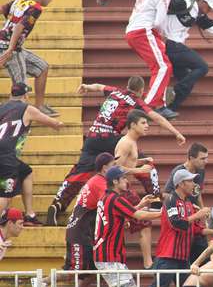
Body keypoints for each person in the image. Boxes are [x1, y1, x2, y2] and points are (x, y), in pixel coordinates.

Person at [47, 77, 185, 224]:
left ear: (127, 86)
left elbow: (99, 86)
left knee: (80, 171)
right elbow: (156, 117)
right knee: (143, 162)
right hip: (110, 137)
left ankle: (58, 204)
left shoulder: (115, 91)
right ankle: (155, 200)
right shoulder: (136, 101)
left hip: (92, 136)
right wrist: (176, 132)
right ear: (140, 91)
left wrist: (87, 86)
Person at [73, 166, 160, 287]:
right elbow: (139, 216)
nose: (127, 181)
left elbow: (124, 214)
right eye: (123, 179)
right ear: (115, 181)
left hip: (108, 254)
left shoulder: (107, 198)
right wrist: (162, 213)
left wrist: (141, 204)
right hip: (108, 255)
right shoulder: (115, 199)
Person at [34, 153, 116, 287]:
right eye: (113, 166)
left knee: (92, 269)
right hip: (79, 231)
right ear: (105, 168)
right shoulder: (99, 182)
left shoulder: (97, 180)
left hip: (84, 230)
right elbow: (109, 203)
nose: (115, 169)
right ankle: (42, 281)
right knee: (75, 270)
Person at [139, 169, 211, 287]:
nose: (194, 184)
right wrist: (197, 214)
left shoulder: (187, 204)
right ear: (180, 184)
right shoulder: (171, 200)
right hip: (168, 256)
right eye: (191, 181)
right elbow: (177, 223)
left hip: (181, 257)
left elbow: (196, 231)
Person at [0, 83, 64, 221]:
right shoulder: (27, 109)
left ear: (11, 94)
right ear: (26, 95)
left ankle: (30, 214)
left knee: (26, 172)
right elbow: (53, 123)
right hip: (7, 156)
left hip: (7, 155)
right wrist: (58, 124)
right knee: (5, 194)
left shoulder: (1, 107)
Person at [123, 0, 177, 117]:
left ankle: (159, 103)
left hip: (132, 30)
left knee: (160, 66)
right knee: (163, 67)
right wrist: (161, 37)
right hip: (144, 30)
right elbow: (159, 22)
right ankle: (150, 105)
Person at [0, 0, 57, 115]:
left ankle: (39, 106)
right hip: (11, 47)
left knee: (42, 67)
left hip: (11, 46)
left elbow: (2, 9)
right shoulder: (36, 8)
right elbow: (20, 26)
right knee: (21, 87)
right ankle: (13, 118)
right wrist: (10, 49)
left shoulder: (19, 2)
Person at [113, 109, 161, 268]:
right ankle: (148, 263)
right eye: (143, 123)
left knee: (139, 221)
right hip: (122, 189)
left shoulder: (131, 142)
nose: (147, 126)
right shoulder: (126, 143)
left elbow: (128, 162)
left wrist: (142, 161)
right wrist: (139, 170)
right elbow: (115, 169)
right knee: (144, 221)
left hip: (126, 187)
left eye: (147, 123)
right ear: (133, 125)